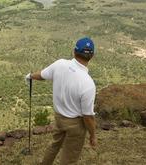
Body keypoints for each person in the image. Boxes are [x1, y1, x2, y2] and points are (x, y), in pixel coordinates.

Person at [25, 37, 97, 165]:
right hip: (76, 124)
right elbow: (88, 116)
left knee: (54, 145)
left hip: (59, 118)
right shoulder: (88, 83)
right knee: (69, 158)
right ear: (92, 56)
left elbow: (42, 75)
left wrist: (30, 76)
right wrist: (92, 135)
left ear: (74, 52)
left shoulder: (60, 64)